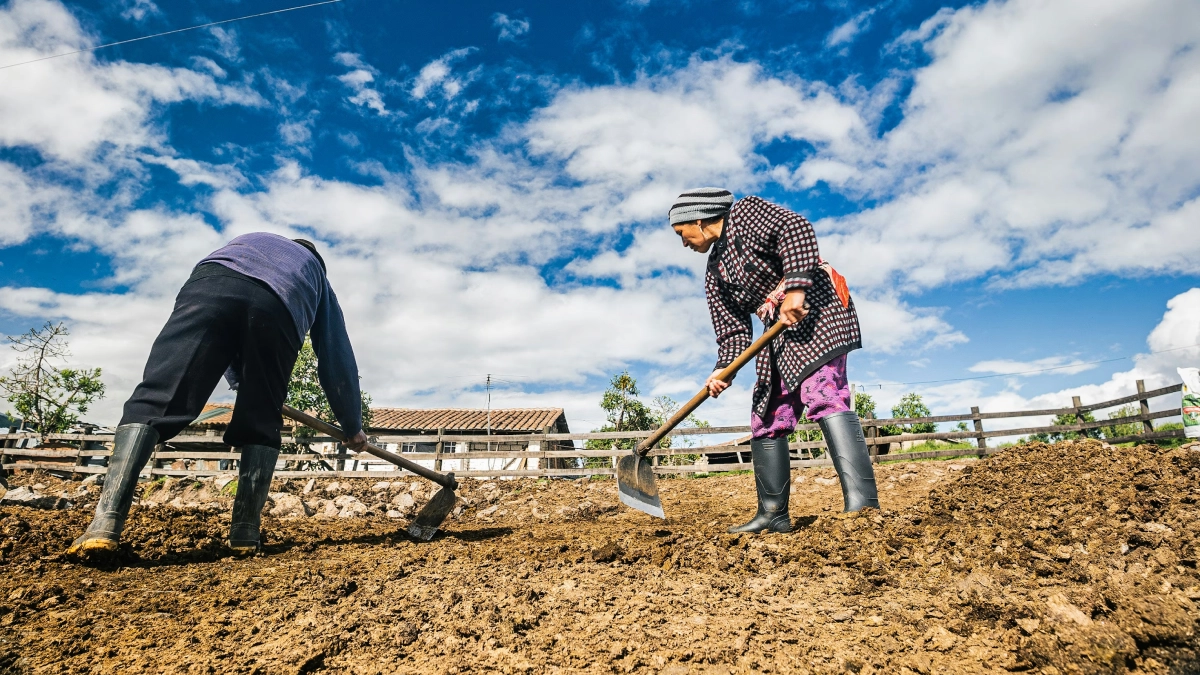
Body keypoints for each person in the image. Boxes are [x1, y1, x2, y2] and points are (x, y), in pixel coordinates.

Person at [68, 233, 369, 555]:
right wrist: (352, 424)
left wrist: (246, 383)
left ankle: (105, 525)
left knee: (157, 399)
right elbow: (335, 355)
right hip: (277, 307)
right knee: (261, 419)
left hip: (207, 285)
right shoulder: (316, 276)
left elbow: (226, 315)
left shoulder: (248, 242)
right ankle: (244, 534)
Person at [670, 188, 878, 533]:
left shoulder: (747, 212)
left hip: (816, 308)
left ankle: (863, 507)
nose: (684, 243)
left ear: (698, 218)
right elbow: (732, 331)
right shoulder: (715, 271)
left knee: (822, 393)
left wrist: (796, 288)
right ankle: (773, 514)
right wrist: (724, 369)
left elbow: (795, 229)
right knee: (767, 411)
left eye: (681, 233)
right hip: (776, 328)